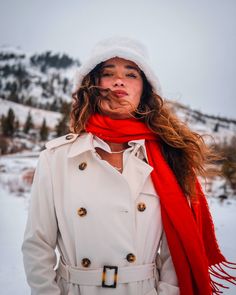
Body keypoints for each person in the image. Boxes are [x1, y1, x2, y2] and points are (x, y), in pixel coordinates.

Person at [22, 37, 236, 295]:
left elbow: (173, 251)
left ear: (144, 89)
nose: (118, 81)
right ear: (93, 85)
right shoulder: (57, 157)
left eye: (131, 74)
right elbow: (38, 244)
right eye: (108, 73)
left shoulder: (169, 157)